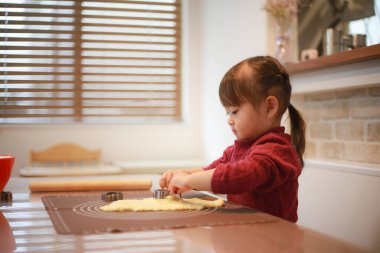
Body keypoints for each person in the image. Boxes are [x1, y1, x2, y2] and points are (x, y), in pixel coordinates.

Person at [159, 56, 306, 222]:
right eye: (227, 112)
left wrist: (188, 180)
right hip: (246, 234)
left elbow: (238, 177)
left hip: (275, 241)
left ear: (270, 106)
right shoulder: (237, 150)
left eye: (234, 111)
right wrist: (181, 174)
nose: (229, 120)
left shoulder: (277, 150)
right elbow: (210, 171)